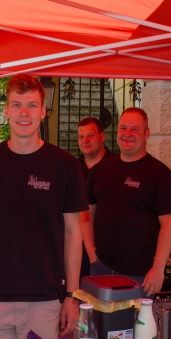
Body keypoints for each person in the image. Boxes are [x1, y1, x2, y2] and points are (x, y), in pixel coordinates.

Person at [0, 74, 88, 339]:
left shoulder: (64, 165)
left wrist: (72, 296)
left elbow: (73, 233)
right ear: (6, 110)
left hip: (45, 299)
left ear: (43, 110)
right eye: (17, 105)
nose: (24, 113)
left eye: (32, 105)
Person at [85, 108, 171, 296]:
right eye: (123, 128)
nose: (127, 134)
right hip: (102, 267)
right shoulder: (99, 170)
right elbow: (87, 212)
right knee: (100, 324)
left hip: (141, 275)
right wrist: (91, 252)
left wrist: (158, 269)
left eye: (135, 129)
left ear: (147, 134)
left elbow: (169, 224)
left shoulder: (161, 175)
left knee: (137, 325)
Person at [76, 117, 114, 279]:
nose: (85, 140)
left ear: (102, 137)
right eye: (81, 136)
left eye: (90, 135)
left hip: (108, 254)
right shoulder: (72, 169)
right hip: (76, 251)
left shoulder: (116, 167)